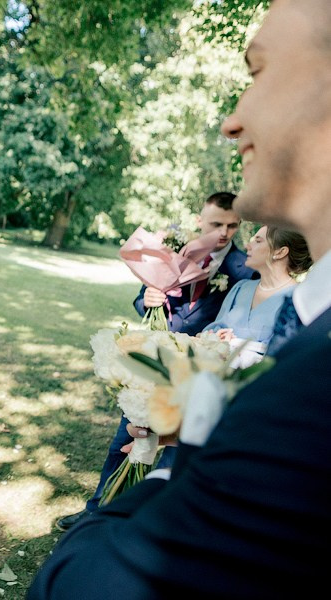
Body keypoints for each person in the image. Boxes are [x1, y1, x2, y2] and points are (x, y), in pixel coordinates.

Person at [27, 0, 331, 596]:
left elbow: (74, 586)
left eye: (259, 71)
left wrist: (181, 456)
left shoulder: (309, 391)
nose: (231, 121)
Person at [55, 192, 256, 531]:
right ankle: (97, 512)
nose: (224, 232)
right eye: (216, 224)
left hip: (199, 374)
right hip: (152, 365)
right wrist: (148, 299)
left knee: (177, 457)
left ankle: (149, 524)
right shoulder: (176, 248)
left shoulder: (244, 268)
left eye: (233, 225)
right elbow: (143, 297)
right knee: (126, 443)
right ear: (199, 220)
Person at [202, 226, 312, 368]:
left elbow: (292, 356)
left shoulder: (299, 298)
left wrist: (233, 345)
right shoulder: (241, 288)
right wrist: (216, 337)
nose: (248, 245)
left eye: (258, 241)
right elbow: (211, 332)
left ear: (280, 252)